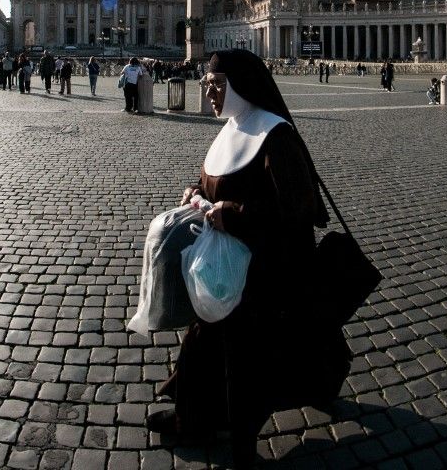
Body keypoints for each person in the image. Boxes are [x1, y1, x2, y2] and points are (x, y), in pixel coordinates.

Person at [147, 49, 350, 468]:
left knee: (245, 356)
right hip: (229, 264)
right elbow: (215, 178)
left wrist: (231, 215)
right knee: (208, 338)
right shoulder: (234, 127)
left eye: (216, 85)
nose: (209, 93)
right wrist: (195, 192)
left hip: (267, 270)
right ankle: (196, 414)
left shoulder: (276, 135)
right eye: (206, 85)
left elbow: (297, 208)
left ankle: (232, 434)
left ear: (241, 86)